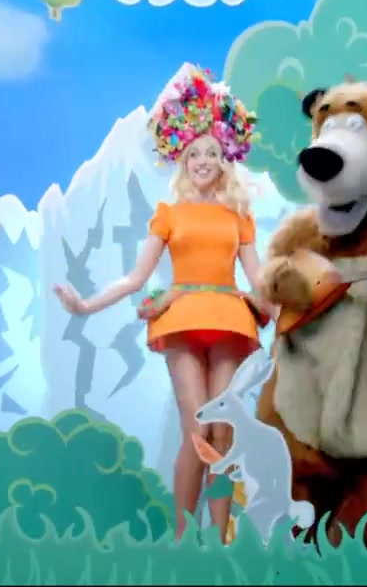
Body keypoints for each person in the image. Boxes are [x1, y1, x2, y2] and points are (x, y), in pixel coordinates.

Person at [53, 63, 266, 541]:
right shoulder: (169, 214)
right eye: (195, 154)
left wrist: (297, 298)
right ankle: (183, 540)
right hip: (182, 319)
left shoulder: (239, 216)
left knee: (223, 430)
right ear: (183, 161)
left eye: (212, 153)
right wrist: (85, 307)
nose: (203, 161)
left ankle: (220, 542)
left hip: (230, 321)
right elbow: (136, 278)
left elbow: (259, 279)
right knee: (197, 429)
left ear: (224, 161)